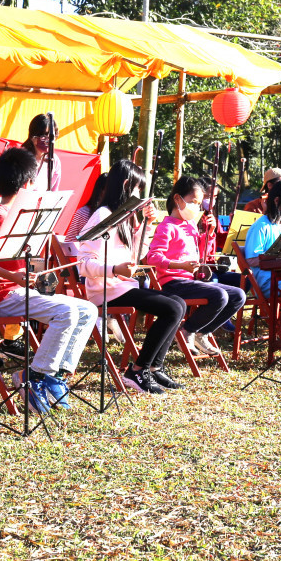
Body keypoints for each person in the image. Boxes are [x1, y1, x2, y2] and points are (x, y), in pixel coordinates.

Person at [0, 147, 98, 411]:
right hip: (5, 296)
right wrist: (12, 276)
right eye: (35, 182)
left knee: (88, 309)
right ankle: (33, 376)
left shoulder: (21, 214)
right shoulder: (1, 214)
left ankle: (56, 374)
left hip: (20, 291)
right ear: (27, 183)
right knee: (66, 313)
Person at [78, 159, 186, 395]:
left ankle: (153, 367)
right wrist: (114, 270)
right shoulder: (102, 215)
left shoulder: (125, 216)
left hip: (121, 285)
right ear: (127, 185)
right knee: (172, 308)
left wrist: (147, 225)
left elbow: (137, 254)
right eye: (138, 189)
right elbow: (83, 265)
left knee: (179, 303)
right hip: (104, 290)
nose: (140, 196)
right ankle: (138, 370)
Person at [145, 175, 246, 357]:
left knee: (238, 295)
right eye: (193, 201)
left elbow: (201, 254)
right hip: (173, 283)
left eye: (199, 203)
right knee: (220, 295)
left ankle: (202, 332)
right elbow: (152, 258)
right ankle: (187, 330)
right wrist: (180, 265)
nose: (197, 207)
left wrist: (210, 233)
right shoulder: (167, 226)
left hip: (190, 281)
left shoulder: (190, 225)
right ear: (177, 198)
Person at [242, 178, 281, 300]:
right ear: (277, 201)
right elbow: (251, 260)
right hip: (269, 282)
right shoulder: (261, 226)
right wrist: (276, 257)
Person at [22, 113, 61, 192]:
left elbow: (54, 191)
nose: (48, 141)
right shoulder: (21, 158)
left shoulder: (54, 161)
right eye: (44, 137)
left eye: (52, 137)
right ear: (33, 137)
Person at [66, 172, 107, 241]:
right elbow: (70, 241)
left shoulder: (114, 213)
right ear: (101, 191)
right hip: (83, 250)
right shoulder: (82, 212)